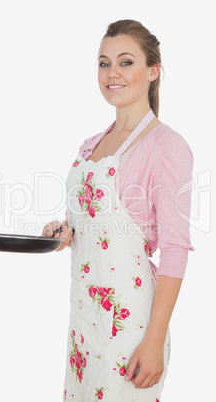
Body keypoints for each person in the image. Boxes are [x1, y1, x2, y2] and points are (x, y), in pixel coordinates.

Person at [42, 19, 194, 401]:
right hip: (83, 320)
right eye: (103, 62)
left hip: (132, 327)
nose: (112, 73)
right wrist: (64, 232)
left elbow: (175, 249)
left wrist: (154, 341)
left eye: (126, 62)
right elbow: (90, 226)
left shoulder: (166, 146)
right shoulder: (91, 144)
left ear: (153, 71)